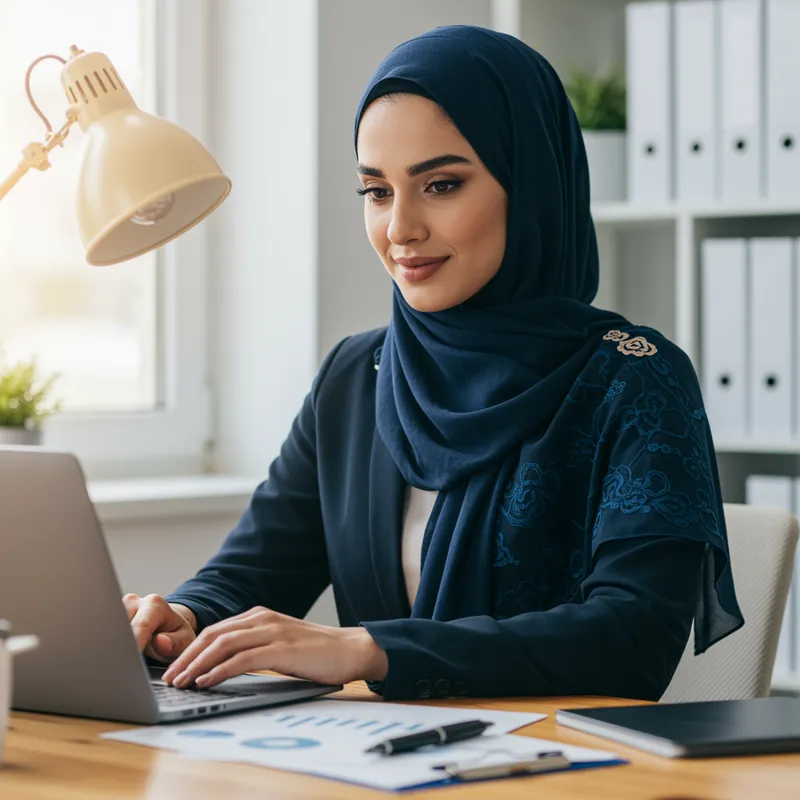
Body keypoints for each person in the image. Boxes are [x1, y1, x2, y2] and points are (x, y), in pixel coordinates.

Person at [124, 25, 744, 702]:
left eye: (441, 185)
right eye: (377, 192)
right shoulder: (358, 376)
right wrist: (182, 619)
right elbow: (254, 570)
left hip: (562, 769)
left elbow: (631, 639)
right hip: (380, 763)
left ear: (529, 183)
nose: (399, 230)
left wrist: (371, 649)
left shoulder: (635, 379)